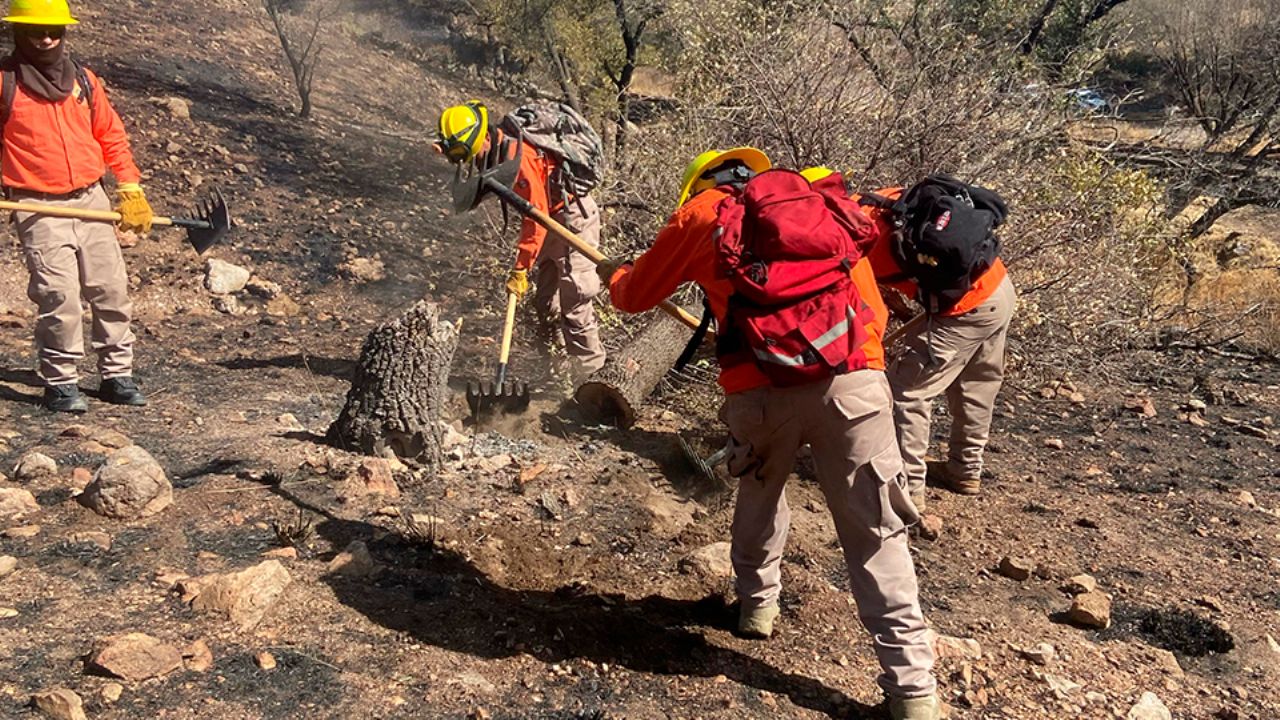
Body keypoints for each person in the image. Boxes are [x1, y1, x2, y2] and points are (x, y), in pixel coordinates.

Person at [599, 151, 941, 720]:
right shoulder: (821, 207)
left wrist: (617, 270)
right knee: (876, 531)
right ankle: (913, 691)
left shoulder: (701, 217)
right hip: (855, 382)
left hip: (760, 397)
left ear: (698, 185)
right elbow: (873, 310)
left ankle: (757, 609)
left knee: (761, 492)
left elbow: (630, 296)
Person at [2, 0, 152, 412]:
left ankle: (116, 375)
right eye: (37, 31)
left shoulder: (84, 81)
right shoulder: (4, 83)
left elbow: (111, 135)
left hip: (92, 198)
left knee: (111, 290)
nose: (47, 37)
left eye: (54, 29)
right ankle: (61, 381)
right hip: (37, 205)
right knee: (59, 296)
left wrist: (131, 189)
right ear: (19, 33)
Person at [858, 179, 1016, 504]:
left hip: (965, 308)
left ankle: (906, 493)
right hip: (999, 288)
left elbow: (868, 314)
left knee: (906, 391)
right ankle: (964, 471)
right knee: (976, 384)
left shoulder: (853, 240)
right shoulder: (881, 201)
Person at [435, 101, 606, 380]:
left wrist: (521, 267)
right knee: (545, 303)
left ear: (482, 137)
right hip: (553, 220)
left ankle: (592, 379)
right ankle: (558, 374)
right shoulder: (497, 150)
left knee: (575, 299)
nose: (472, 161)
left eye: (470, 153)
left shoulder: (518, 155)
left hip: (573, 219)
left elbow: (535, 217)